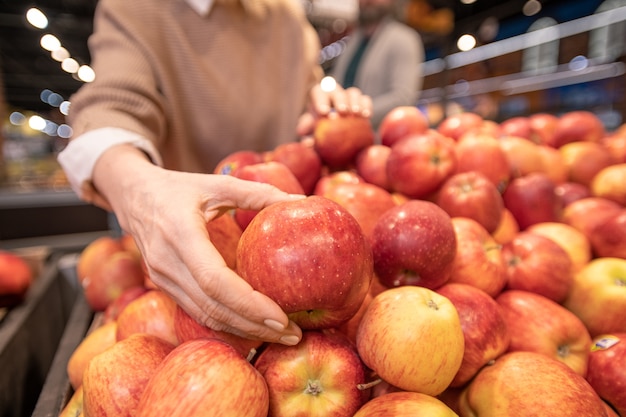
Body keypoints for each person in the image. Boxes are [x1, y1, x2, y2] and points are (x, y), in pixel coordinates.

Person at [57, 0, 372, 347]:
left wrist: (324, 106)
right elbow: (109, 107)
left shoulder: (286, 16)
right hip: (193, 262)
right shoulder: (137, 8)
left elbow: (306, 84)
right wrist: (139, 191)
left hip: (306, 259)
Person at [329, 0, 424, 130]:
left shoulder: (404, 39)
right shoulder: (351, 42)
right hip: (340, 132)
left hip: (378, 139)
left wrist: (356, 116)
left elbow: (402, 98)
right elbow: (336, 84)